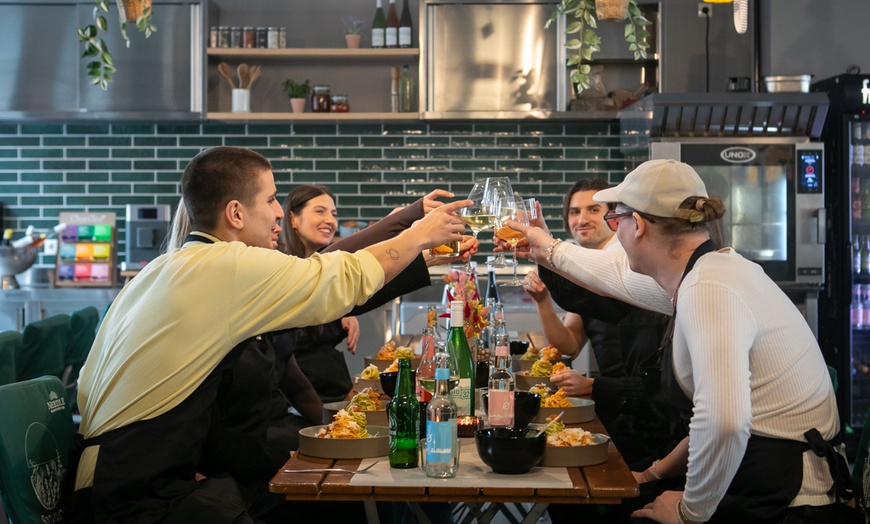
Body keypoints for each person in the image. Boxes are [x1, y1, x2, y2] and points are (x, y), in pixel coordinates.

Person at [71, 146, 468, 523]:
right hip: (135, 497)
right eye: (271, 199)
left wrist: (425, 254)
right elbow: (336, 276)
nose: (279, 211)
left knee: (344, 502)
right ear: (236, 214)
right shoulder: (227, 266)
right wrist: (417, 234)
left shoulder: (165, 268)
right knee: (347, 501)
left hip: (115, 477)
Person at [509, 159, 853, 523]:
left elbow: (723, 422)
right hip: (762, 480)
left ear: (637, 226)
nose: (614, 233)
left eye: (616, 219)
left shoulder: (707, 289)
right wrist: (545, 247)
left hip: (789, 503)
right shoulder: (711, 272)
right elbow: (614, 278)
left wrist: (690, 512)